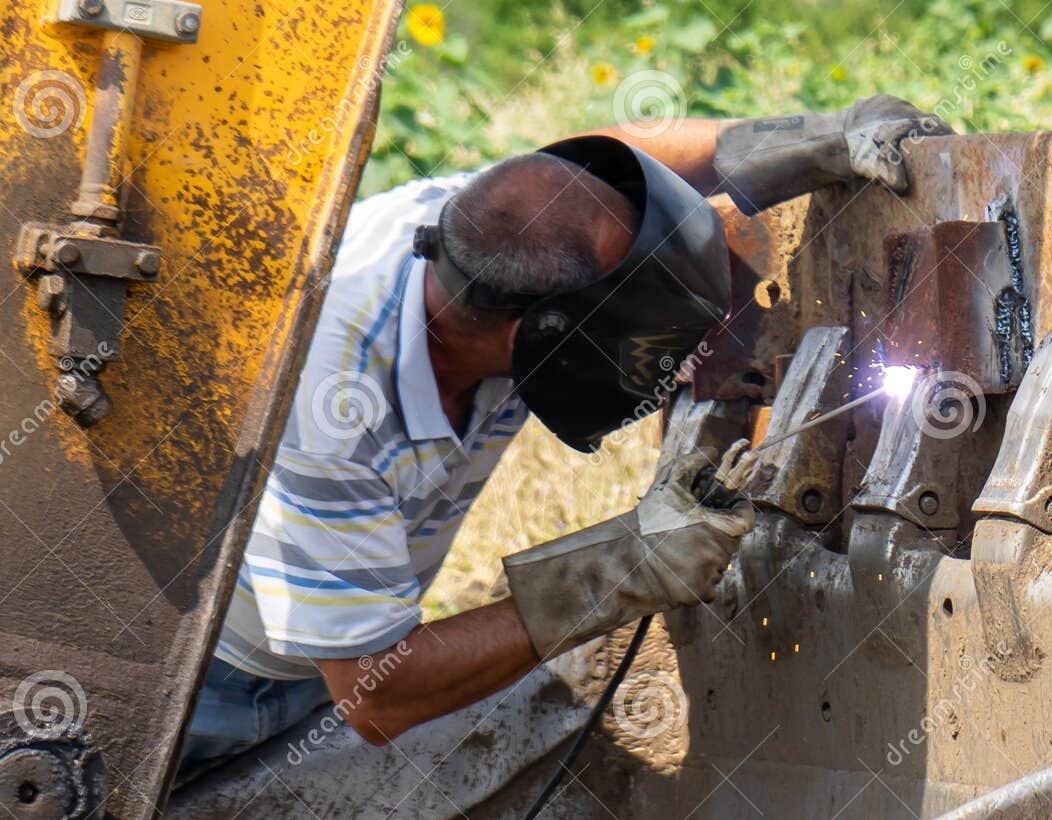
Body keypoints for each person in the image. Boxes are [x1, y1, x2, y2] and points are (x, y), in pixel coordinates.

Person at [178, 97, 951, 776]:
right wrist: (625, 563)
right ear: (539, 334)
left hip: (341, 631)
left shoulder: (481, 233)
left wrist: (803, 136)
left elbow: (580, 173)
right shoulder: (327, 413)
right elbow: (377, 695)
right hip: (215, 685)